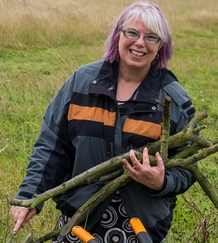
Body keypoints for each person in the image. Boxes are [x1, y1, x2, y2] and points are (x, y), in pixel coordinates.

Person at [10, 1, 197, 242]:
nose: (140, 42)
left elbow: (188, 167)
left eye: (151, 37)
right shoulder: (81, 83)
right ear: (118, 36)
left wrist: (161, 181)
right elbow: (53, 146)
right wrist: (30, 195)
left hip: (139, 226)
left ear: (161, 46)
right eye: (132, 33)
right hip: (80, 216)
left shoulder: (174, 99)